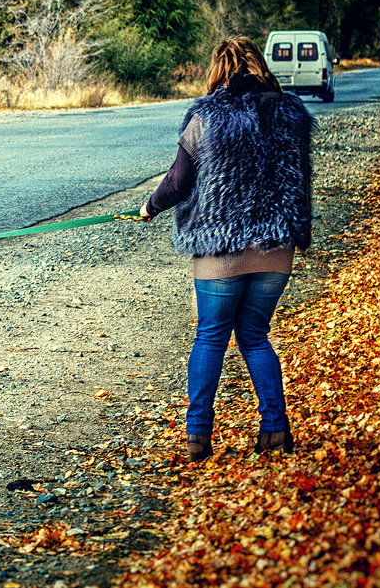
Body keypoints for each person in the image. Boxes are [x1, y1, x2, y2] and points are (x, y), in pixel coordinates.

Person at [139, 36, 314, 462]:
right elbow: (300, 180)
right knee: (255, 336)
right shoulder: (291, 114)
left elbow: (179, 182)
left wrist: (150, 206)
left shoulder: (206, 116)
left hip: (220, 247)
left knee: (211, 336)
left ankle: (198, 436)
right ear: (261, 64)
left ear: (220, 67)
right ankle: (275, 431)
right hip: (276, 246)